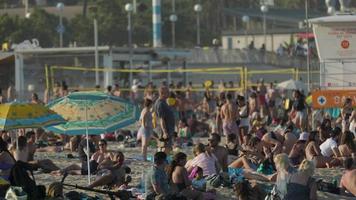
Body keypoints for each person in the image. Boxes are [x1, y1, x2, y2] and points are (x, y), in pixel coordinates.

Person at [154, 86, 175, 153]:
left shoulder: (164, 102)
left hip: (168, 128)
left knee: (166, 147)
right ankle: (163, 161)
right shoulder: (160, 104)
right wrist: (165, 132)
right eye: (167, 92)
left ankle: (162, 160)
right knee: (166, 147)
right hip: (164, 129)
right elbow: (161, 119)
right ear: (162, 93)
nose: (169, 93)